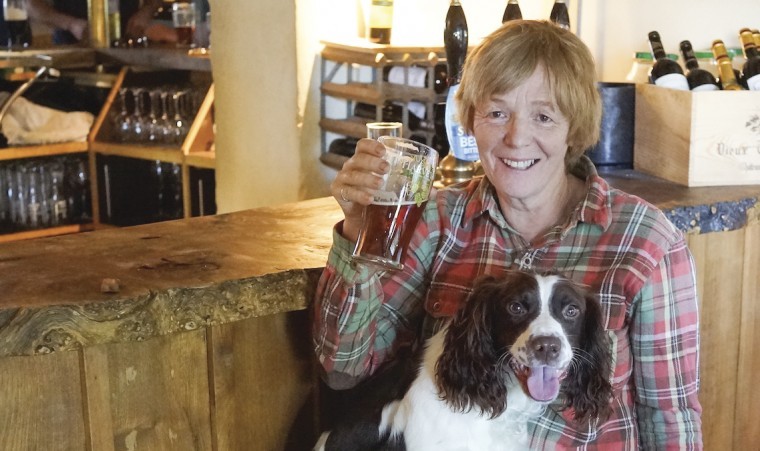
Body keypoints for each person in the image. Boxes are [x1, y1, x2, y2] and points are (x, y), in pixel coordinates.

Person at [312, 20, 703, 449]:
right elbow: (343, 368)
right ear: (470, 122)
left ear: (574, 127)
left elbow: (669, 414)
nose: (516, 138)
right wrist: (357, 230)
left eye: (543, 115)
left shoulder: (648, 242)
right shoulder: (439, 220)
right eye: (497, 113)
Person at [25, 0, 173, 45]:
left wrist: (147, 10)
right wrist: (71, 24)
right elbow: (29, 5)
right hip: (75, 58)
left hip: (128, 54)